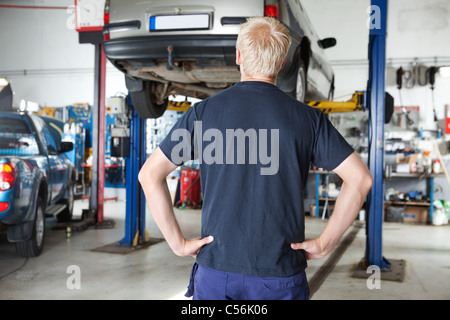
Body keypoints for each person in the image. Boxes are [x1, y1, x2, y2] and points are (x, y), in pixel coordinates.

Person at [138, 17, 373, 300]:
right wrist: (325, 243)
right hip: (280, 273)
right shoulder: (309, 119)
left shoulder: (202, 115)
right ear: (283, 61)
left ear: (238, 56)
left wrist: (177, 243)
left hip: (216, 271)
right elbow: (360, 180)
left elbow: (149, 175)